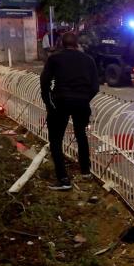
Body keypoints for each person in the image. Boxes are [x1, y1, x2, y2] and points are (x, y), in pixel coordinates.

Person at [40, 32, 100, 191]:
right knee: (81, 134)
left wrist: (49, 102)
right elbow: (95, 86)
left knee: (56, 140)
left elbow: (45, 82)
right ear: (77, 44)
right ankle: (86, 171)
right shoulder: (88, 60)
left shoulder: (54, 59)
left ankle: (63, 179)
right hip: (81, 103)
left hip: (60, 102)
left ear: (61, 43)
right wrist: (84, 98)